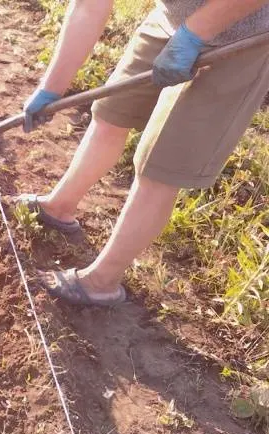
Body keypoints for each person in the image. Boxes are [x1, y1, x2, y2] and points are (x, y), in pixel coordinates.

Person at [19, 0, 269, 306]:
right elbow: (89, 5)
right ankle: (59, 206)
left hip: (241, 39)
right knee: (112, 113)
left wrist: (195, 33)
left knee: (161, 163)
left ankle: (102, 281)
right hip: (173, 18)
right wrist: (51, 88)